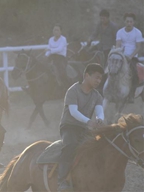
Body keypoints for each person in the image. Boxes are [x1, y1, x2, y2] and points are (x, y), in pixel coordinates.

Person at [57, 63, 105, 192]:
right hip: (69, 126)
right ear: (86, 75)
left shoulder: (97, 95)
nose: (98, 81)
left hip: (84, 128)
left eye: (100, 78)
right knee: (70, 145)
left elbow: (100, 111)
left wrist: (99, 120)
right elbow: (73, 112)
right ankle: (61, 181)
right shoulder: (73, 90)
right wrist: (89, 121)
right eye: (96, 77)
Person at [115, 13, 144, 103]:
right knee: (110, 69)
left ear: (133, 22)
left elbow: (138, 47)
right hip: (121, 56)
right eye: (127, 21)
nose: (129, 23)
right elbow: (118, 45)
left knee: (134, 73)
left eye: (131, 21)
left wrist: (131, 56)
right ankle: (106, 91)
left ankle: (131, 95)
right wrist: (120, 55)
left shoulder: (137, 32)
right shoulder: (120, 32)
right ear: (124, 21)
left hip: (132, 57)